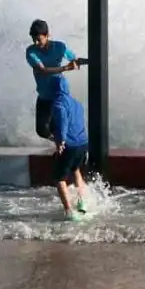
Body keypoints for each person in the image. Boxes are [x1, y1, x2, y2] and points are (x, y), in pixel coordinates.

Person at [25, 19, 85, 141]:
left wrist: (89, 61)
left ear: (47, 35)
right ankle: (62, 143)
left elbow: (74, 60)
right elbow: (42, 70)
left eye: (39, 39)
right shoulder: (31, 51)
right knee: (42, 130)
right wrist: (65, 68)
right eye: (34, 40)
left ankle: (68, 146)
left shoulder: (59, 47)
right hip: (44, 95)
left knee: (59, 127)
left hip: (60, 93)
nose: (36, 43)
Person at [49, 76, 90, 220]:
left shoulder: (58, 104)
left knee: (59, 178)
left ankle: (69, 212)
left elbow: (62, 122)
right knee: (76, 170)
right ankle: (82, 203)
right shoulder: (77, 103)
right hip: (83, 142)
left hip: (69, 145)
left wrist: (61, 141)